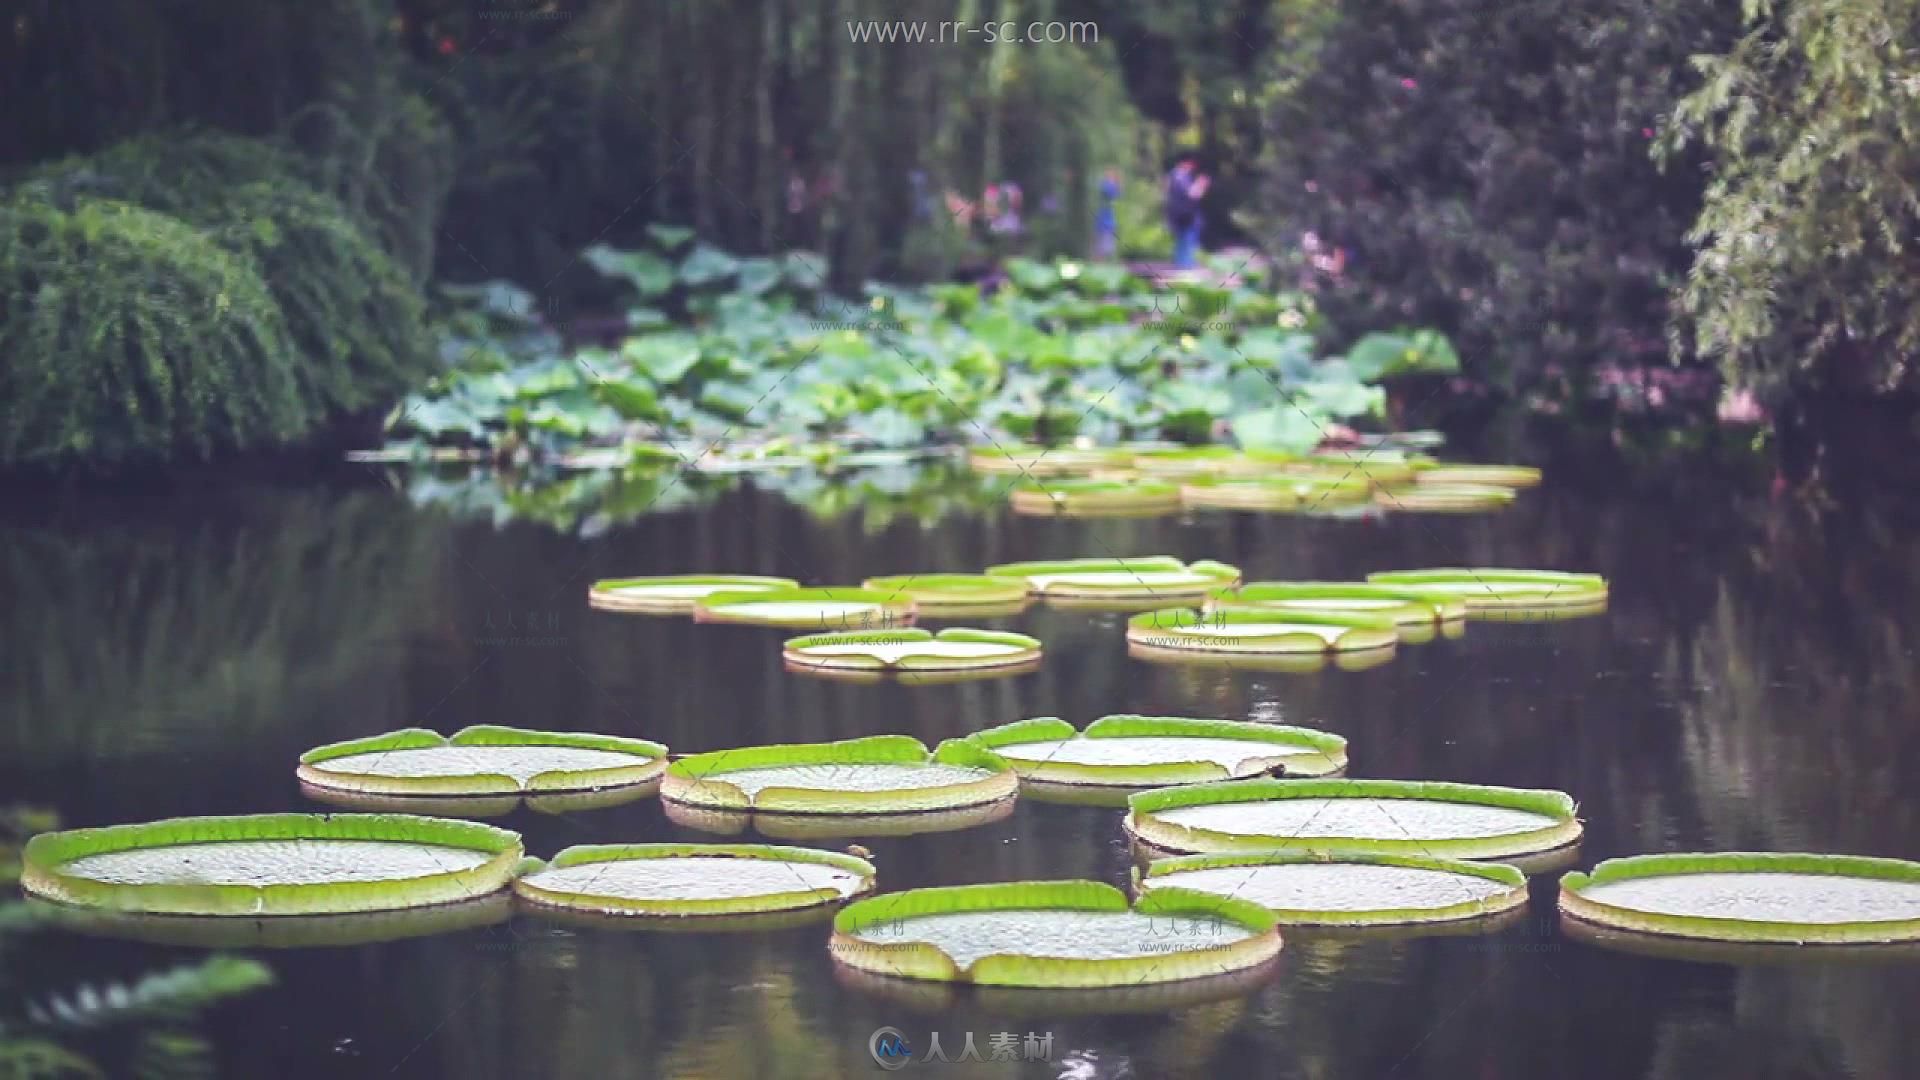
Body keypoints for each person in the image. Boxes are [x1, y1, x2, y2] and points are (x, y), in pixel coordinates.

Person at [1164, 156, 1207, 269]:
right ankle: (1185, 266)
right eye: (1191, 164)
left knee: (1182, 240)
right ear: (1185, 163)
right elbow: (1192, 194)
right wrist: (1201, 184)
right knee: (1187, 239)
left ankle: (1183, 264)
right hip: (1185, 214)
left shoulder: (1175, 176)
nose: (1192, 168)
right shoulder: (1179, 176)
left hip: (1179, 213)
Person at [1093, 168, 1120, 260]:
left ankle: (1103, 261)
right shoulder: (1105, 186)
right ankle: (1099, 262)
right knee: (1101, 247)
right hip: (1103, 222)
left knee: (1107, 247)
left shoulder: (1111, 187)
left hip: (1108, 222)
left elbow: (1117, 194)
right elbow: (1110, 191)